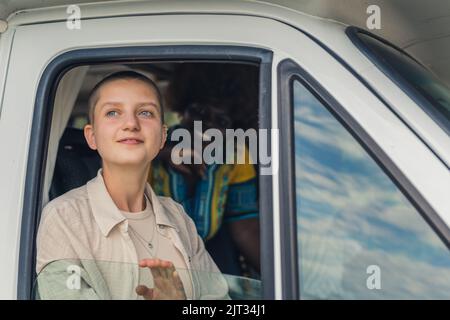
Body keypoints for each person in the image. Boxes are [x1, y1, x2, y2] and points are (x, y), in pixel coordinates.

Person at [36, 71, 228, 300]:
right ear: (92, 136)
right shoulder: (64, 219)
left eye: (145, 112)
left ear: (162, 137)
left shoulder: (177, 217)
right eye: (113, 112)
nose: (131, 124)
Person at [148, 64, 260, 276]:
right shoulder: (152, 142)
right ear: (182, 110)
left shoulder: (236, 156)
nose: (205, 123)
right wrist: (160, 153)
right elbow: (110, 155)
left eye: (221, 120)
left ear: (234, 128)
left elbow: (245, 229)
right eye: (198, 111)